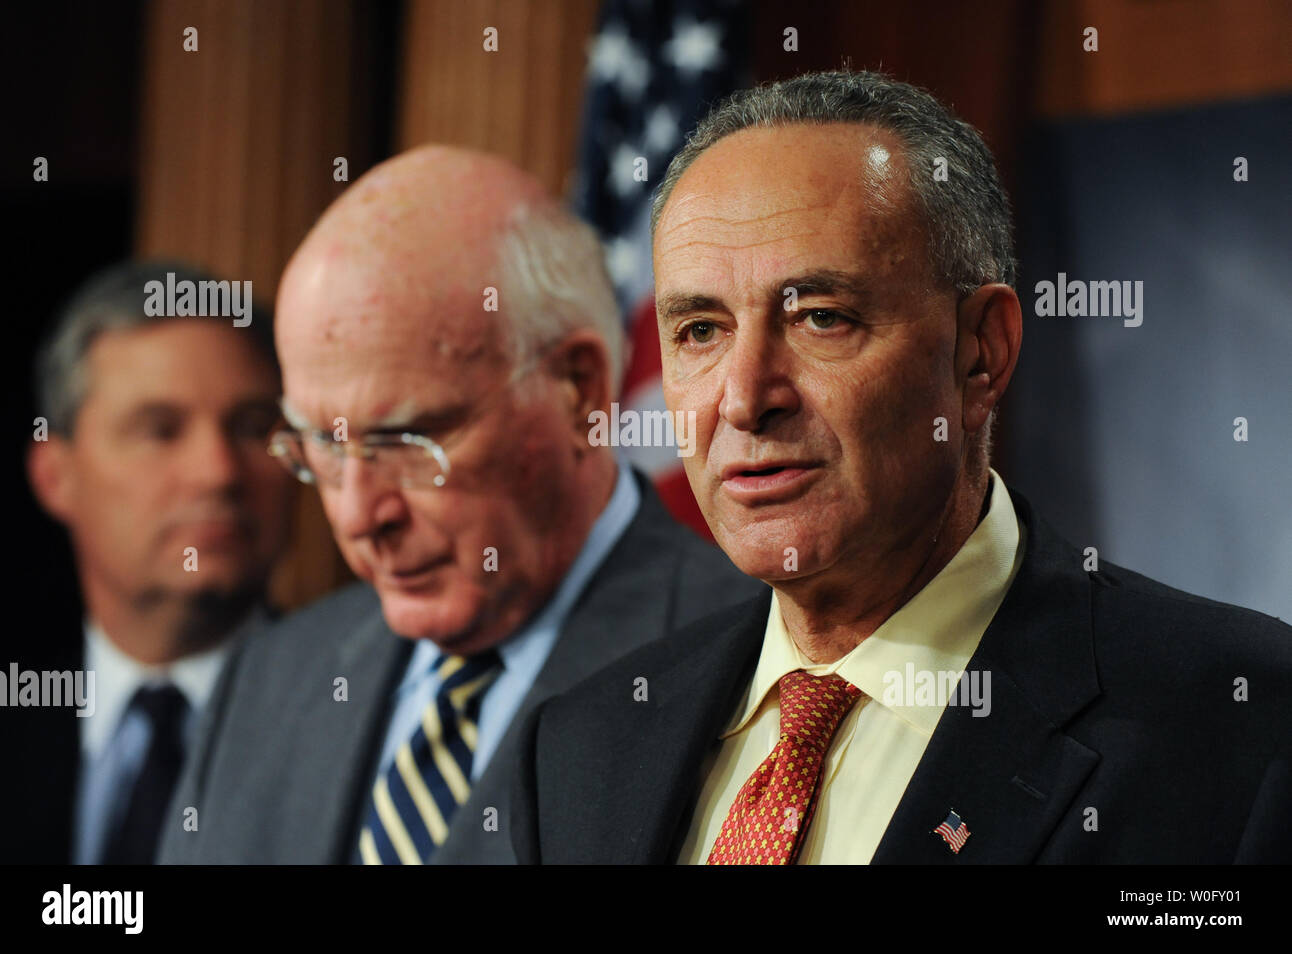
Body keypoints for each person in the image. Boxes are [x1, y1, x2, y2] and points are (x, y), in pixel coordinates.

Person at [509, 71, 1292, 865]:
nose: (743, 400)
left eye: (820, 318)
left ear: (980, 354)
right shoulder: (579, 749)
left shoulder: (1246, 729)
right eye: (700, 331)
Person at [156, 146, 763, 865]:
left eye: (406, 440)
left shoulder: (752, 670)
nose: (357, 515)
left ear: (577, 391)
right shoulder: (271, 677)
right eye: (321, 440)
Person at [0, 260, 292, 864]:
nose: (218, 471)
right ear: (56, 476)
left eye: (253, 426)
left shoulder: (366, 721)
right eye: (160, 430)